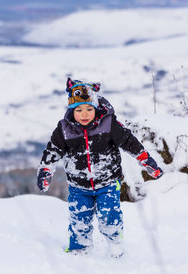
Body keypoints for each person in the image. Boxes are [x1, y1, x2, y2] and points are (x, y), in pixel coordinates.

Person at [37, 77, 163, 258]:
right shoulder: (64, 129)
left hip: (109, 182)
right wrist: (45, 170)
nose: (84, 114)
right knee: (79, 219)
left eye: (89, 109)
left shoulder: (108, 124)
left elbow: (129, 141)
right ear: (71, 110)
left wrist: (145, 160)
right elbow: (53, 150)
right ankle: (79, 249)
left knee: (109, 215)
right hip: (78, 186)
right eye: (79, 109)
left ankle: (115, 245)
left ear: (96, 107)